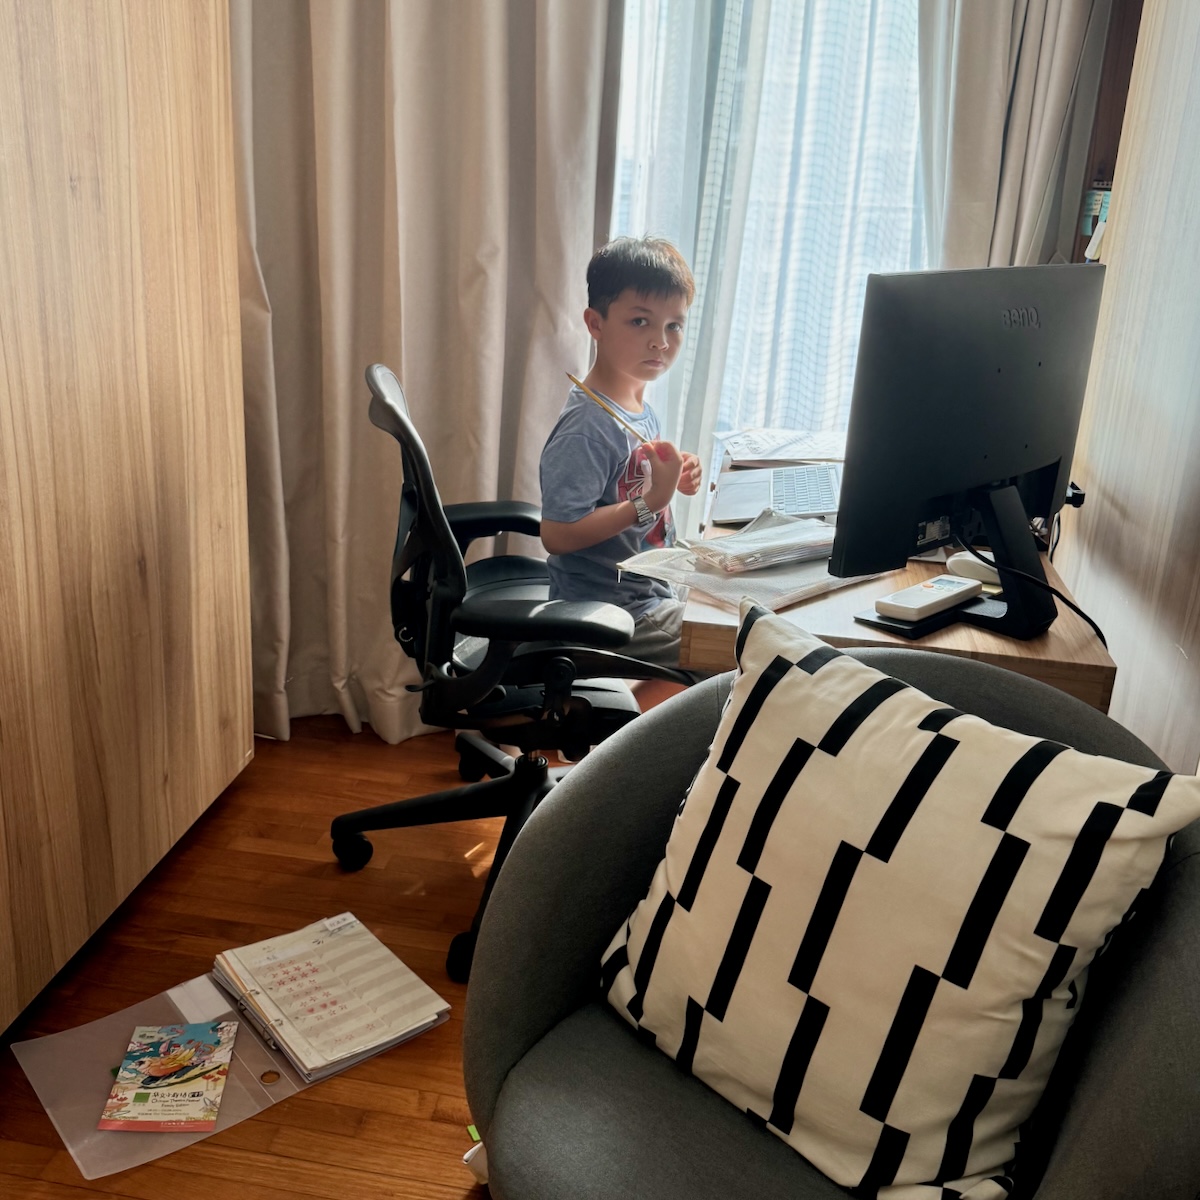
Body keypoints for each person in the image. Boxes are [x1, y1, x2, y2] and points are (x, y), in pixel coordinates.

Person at [539, 235, 704, 710]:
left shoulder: (634, 404)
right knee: (730, 647)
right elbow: (558, 534)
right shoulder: (588, 427)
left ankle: (620, 729)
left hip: (649, 587)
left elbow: (628, 481)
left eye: (674, 326)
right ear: (596, 323)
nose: (661, 341)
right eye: (640, 321)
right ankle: (626, 739)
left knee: (740, 614)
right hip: (610, 605)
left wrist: (674, 474)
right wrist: (650, 502)